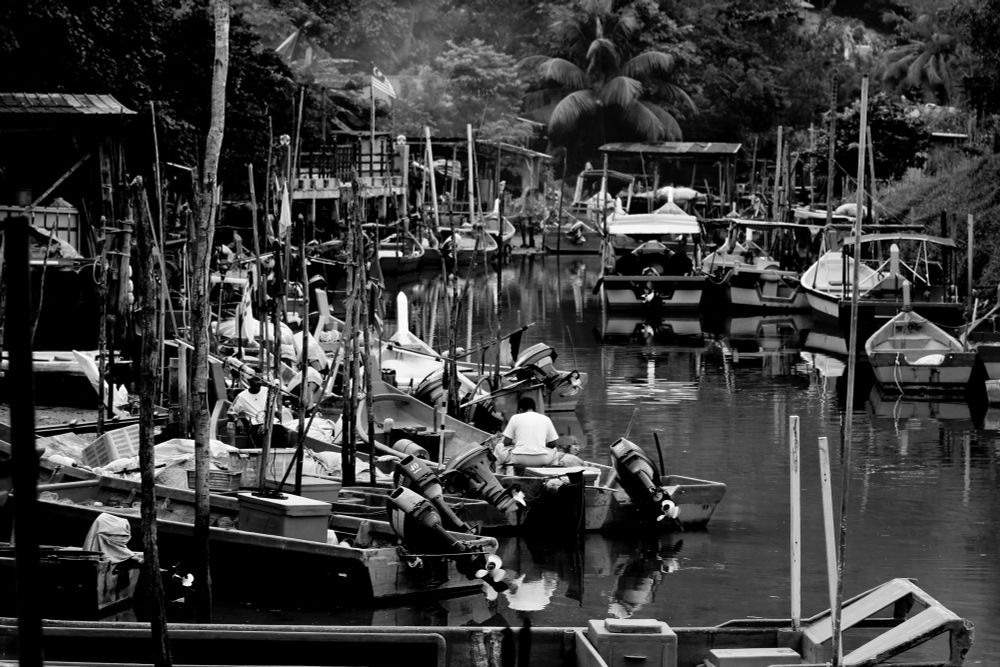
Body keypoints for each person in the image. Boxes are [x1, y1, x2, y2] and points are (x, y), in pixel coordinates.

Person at [495, 397, 559, 467]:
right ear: (535, 409)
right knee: (555, 451)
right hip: (542, 459)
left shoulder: (515, 417)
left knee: (499, 446)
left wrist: (515, 444)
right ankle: (550, 473)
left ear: (520, 410)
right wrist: (541, 447)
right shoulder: (546, 419)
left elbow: (506, 442)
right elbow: (553, 443)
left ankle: (499, 472)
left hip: (519, 458)